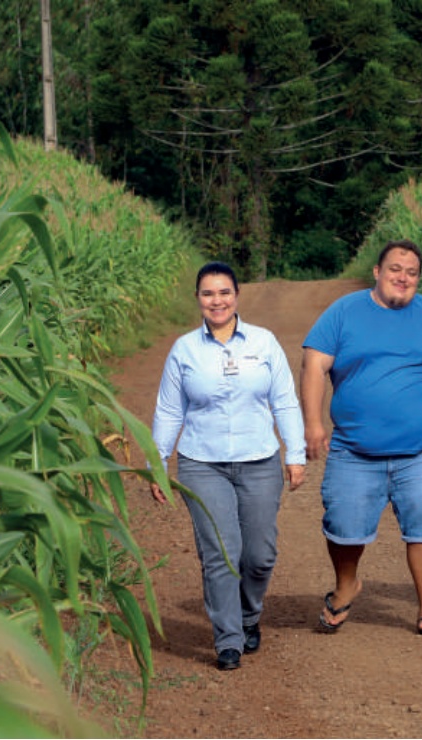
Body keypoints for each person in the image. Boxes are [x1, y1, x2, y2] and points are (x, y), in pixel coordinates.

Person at [301, 240, 422, 636]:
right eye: (395, 269)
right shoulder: (344, 312)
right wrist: (313, 424)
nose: (403, 277)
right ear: (378, 273)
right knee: (343, 526)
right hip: (353, 449)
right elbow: (314, 364)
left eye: (412, 272)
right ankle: (346, 585)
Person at [149, 261, 307, 671]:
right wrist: (158, 461)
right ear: (198, 299)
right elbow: (169, 410)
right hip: (203, 464)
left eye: (223, 292)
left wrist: (295, 452)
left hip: (259, 461)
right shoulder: (185, 350)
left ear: (236, 296)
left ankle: (249, 616)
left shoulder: (264, 342)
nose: (216, 300)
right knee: (221, 552)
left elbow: (285, 400)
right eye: (207, 293)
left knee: (259, 555)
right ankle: (228, 640)